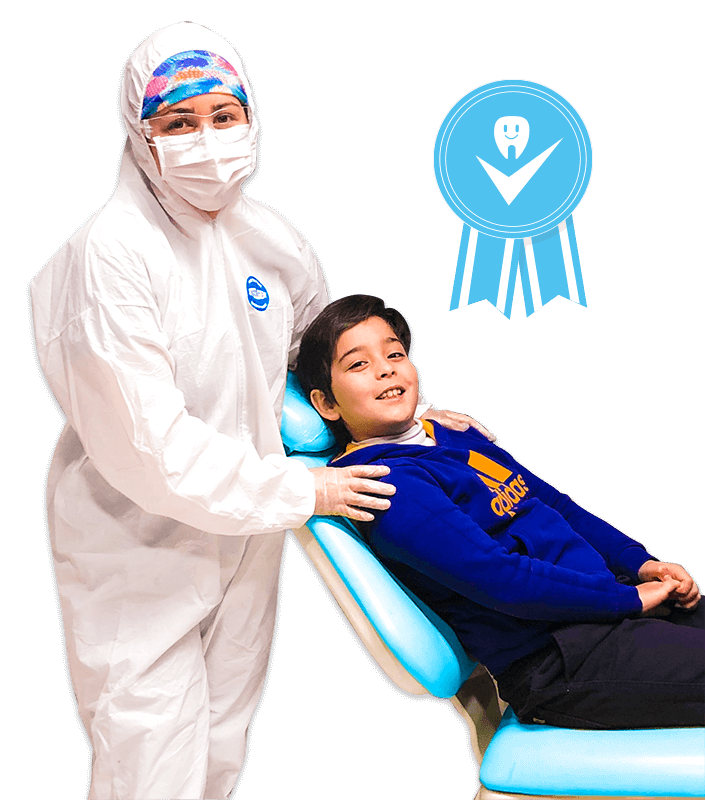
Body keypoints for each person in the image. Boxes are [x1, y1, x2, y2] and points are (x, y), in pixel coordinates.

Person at [30, 23, 492, 800]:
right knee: (150, 760)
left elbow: (324, 370)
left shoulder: (269, 239)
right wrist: (304, 489)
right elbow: (151, 449)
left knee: (218, 748)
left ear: (250, 114)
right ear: (140, 135)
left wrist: (419, 422)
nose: (207, 138)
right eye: (178, 122)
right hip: (138, 542)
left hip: (250, 531)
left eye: (224, 114)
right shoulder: (110, 255)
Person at [295, 294, 704, 730]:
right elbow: (501, 578)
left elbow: (555, 504)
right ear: (327, 404)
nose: (385, 369)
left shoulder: (451, 434)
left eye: (395, 354)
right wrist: (628, 600)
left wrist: (639, 564)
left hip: (603, 606)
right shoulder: (387, 484)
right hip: (556, 659)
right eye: (359, 364)